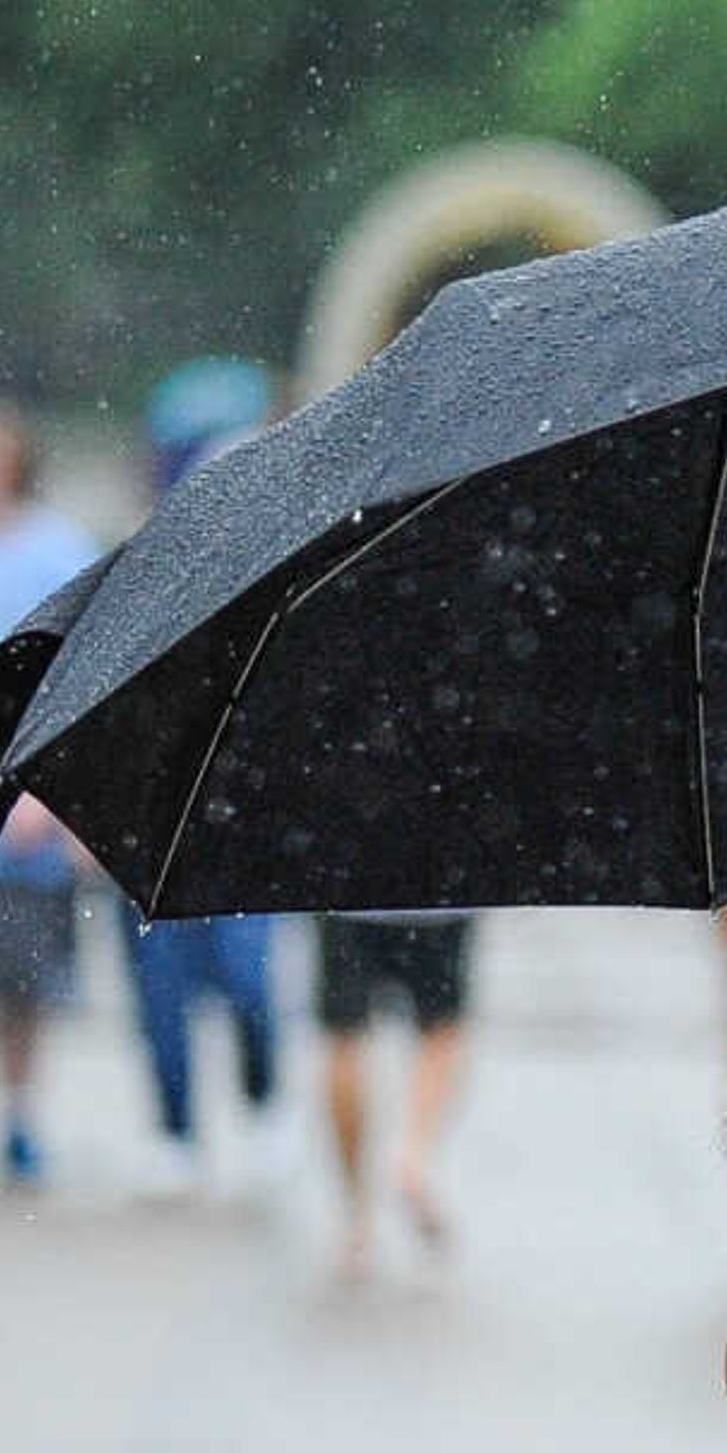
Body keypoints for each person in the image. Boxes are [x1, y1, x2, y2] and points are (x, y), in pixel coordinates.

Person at [119, 362, 286, 1198]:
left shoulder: (279, 573)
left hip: (241, 816)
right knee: (160, 993)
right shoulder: (133, 571)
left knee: (248, 978)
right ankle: (176, 1130)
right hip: (148, 815)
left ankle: (263, 1103)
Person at [0, 402, 105, 1187]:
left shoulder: (55, 554)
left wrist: (51, 794)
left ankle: (17, 1114)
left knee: (20, 987)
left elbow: (75, 678)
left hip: (16, 798)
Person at [315, 910, 475, 1272]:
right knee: (441, 1029)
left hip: (345, 891)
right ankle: (412, 1156)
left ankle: (356, 1212)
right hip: (439, 894)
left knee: (345, 1038)